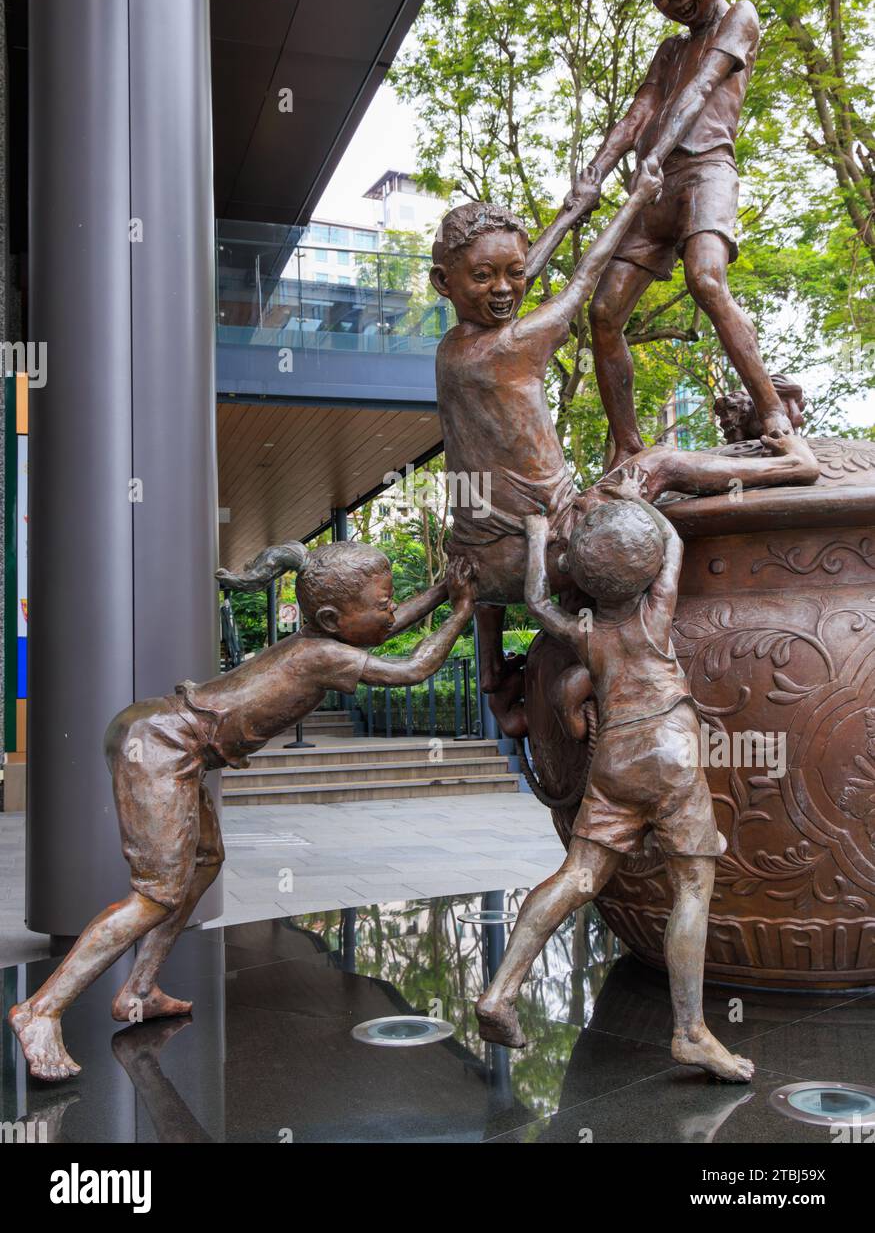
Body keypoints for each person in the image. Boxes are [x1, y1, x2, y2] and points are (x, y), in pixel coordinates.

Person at [9, 542, 475, 1082]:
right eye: (384, 602)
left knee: (205, 859)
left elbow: (381, 631)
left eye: (391, 600)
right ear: (331, 617)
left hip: (165, 734)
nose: (392, 611)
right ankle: (40, 1010)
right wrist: (461, 609)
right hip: (160, 743)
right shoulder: (321, 654)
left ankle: (139, 988)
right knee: (156, 893)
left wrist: (443, 589)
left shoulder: (321, 638)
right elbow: (413, 667)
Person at [430, 194, 818, 700]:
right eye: (483, 277)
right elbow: (585, 281)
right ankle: (793, 463)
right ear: (444, 281)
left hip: (480, 568)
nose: (503, 290)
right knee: (656, 461)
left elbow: (508, 280)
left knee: (487, 515)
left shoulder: (452, 348)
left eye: (514, 273)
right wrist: (635, 197)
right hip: (548, 546)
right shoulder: (513, 346)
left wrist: (571, 213)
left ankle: (493, 677)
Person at [474, 480, 755, 1083]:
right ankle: (689, 1032)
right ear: (648, 567)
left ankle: (500, 992)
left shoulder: (583, 634)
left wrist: (536, 537)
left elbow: (536, 601)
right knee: (692, 888)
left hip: (616, 760)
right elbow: (674, 538)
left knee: (578, 877)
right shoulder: (656, 614)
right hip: (671, 757)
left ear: (581, 570)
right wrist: (638, 500)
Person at [565, 0, 802, 467]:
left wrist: (657, 155)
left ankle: (771, 411)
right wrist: (593, 172)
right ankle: (626, 445)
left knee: (707, 280)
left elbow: (699, 92)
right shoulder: (668, 50)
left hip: (706, 173)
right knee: (602, 314)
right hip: (655, 189)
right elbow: (635, 116)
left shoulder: (739, 16)